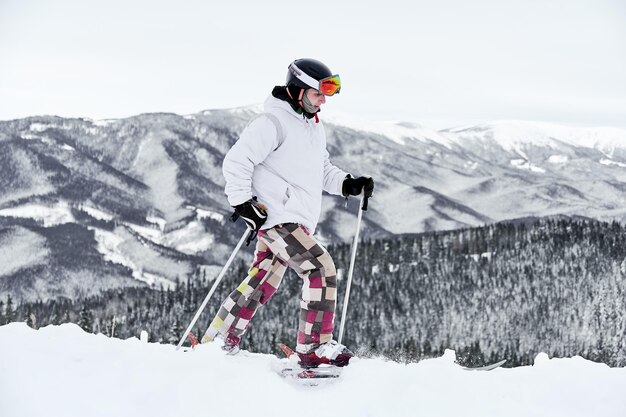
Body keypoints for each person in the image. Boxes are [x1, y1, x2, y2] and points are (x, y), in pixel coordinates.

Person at [202, 58, 374, 368]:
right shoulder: (272, 123)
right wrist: (243, 204)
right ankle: (314, 348)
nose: (324, 99)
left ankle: (219, 339)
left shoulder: (311, 126)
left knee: (263, 278)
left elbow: (320, 170)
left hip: (294, 217)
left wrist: (347, 184)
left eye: (328, 92)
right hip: (278, 216)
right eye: (318, 93)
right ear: (298, 90)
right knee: (321, 269)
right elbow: (236, 161)